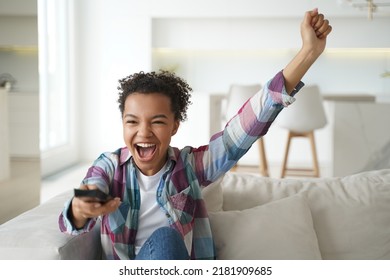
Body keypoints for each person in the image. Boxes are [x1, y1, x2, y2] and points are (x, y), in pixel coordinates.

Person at [59, 8, 332, 260]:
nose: (143, 132)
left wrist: (308, 52)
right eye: (132, 122)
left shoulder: (190, 167)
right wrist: (81, 207)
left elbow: (247, 126)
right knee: (166, 239)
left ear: (175, 125)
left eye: (157, 121)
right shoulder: (108, 166)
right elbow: (88, 193)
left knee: (167, 240)